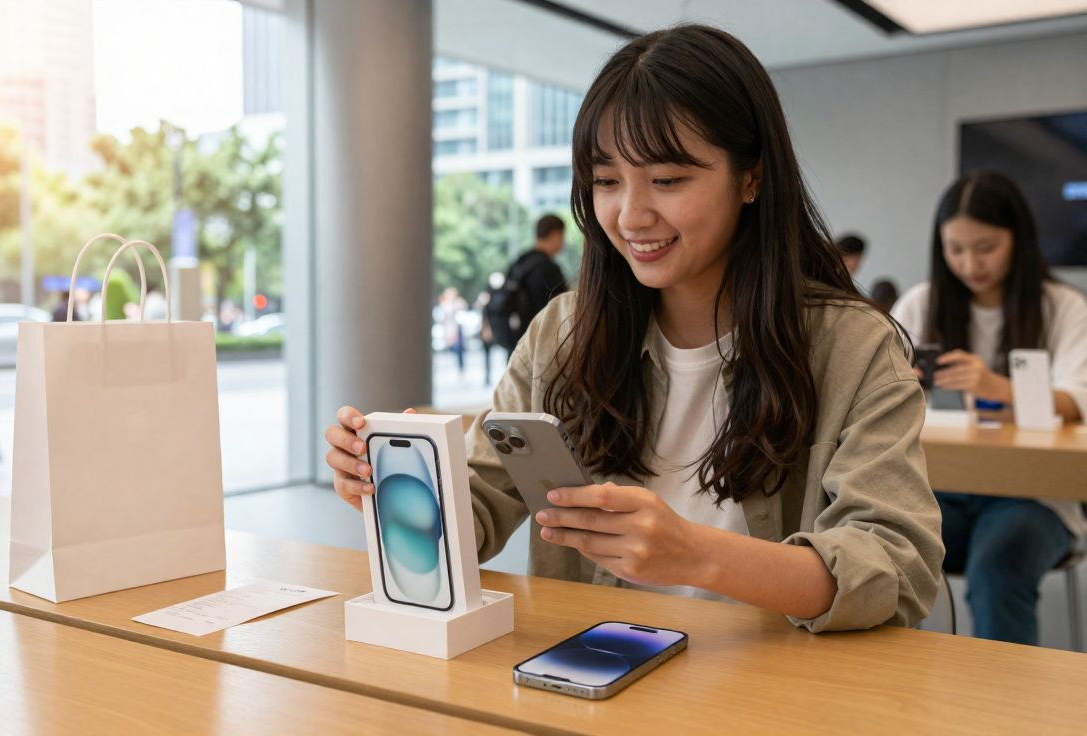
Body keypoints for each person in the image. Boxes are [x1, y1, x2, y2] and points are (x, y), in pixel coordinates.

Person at [325, 24, 943, 632]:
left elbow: (897, 570)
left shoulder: (853, 347)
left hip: (774, 694)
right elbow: (477, 510)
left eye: (669, 180)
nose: (630, 215)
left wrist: (699, 555)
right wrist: (397, 486)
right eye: (605, 181)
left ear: (751, 176)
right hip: (593, 679)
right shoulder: (562, 335)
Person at [892, 170, 1087, 645]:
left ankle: (1002, 715)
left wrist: (998, 387)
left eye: (985, 247)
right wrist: (898, 386)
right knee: (884, 553)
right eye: (955, 249)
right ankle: (889, 700)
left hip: (1037, 495)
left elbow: (1078, 401)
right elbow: (867, 391)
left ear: (1018, 239)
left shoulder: (1062, 307)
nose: (969, 263)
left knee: (999, 567)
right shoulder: (923, 302)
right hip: (944, 485)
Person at [485, 214, 569, 357]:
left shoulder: (519, 262)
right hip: (540, 346)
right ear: (556, 235)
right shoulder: (548, 268)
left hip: (517, 346)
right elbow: (560, 309)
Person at [438, 287, 467, 375]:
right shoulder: (445, 304)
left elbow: (463, 309)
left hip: (457, 329)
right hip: (448, 328)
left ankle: (460, 367)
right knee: (450, 348)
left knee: (459, 348)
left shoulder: (458, 303)